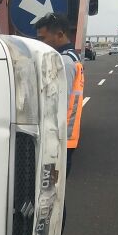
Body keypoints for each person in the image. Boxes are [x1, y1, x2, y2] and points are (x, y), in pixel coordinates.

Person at [34, 13, 84, 174]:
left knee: (52, 193)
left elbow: (59, 101)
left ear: (60, 35)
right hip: (66, 135)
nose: (40, 43)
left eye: (43, 38)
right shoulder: (72, 56)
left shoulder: (64, 61)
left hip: (60, 136)